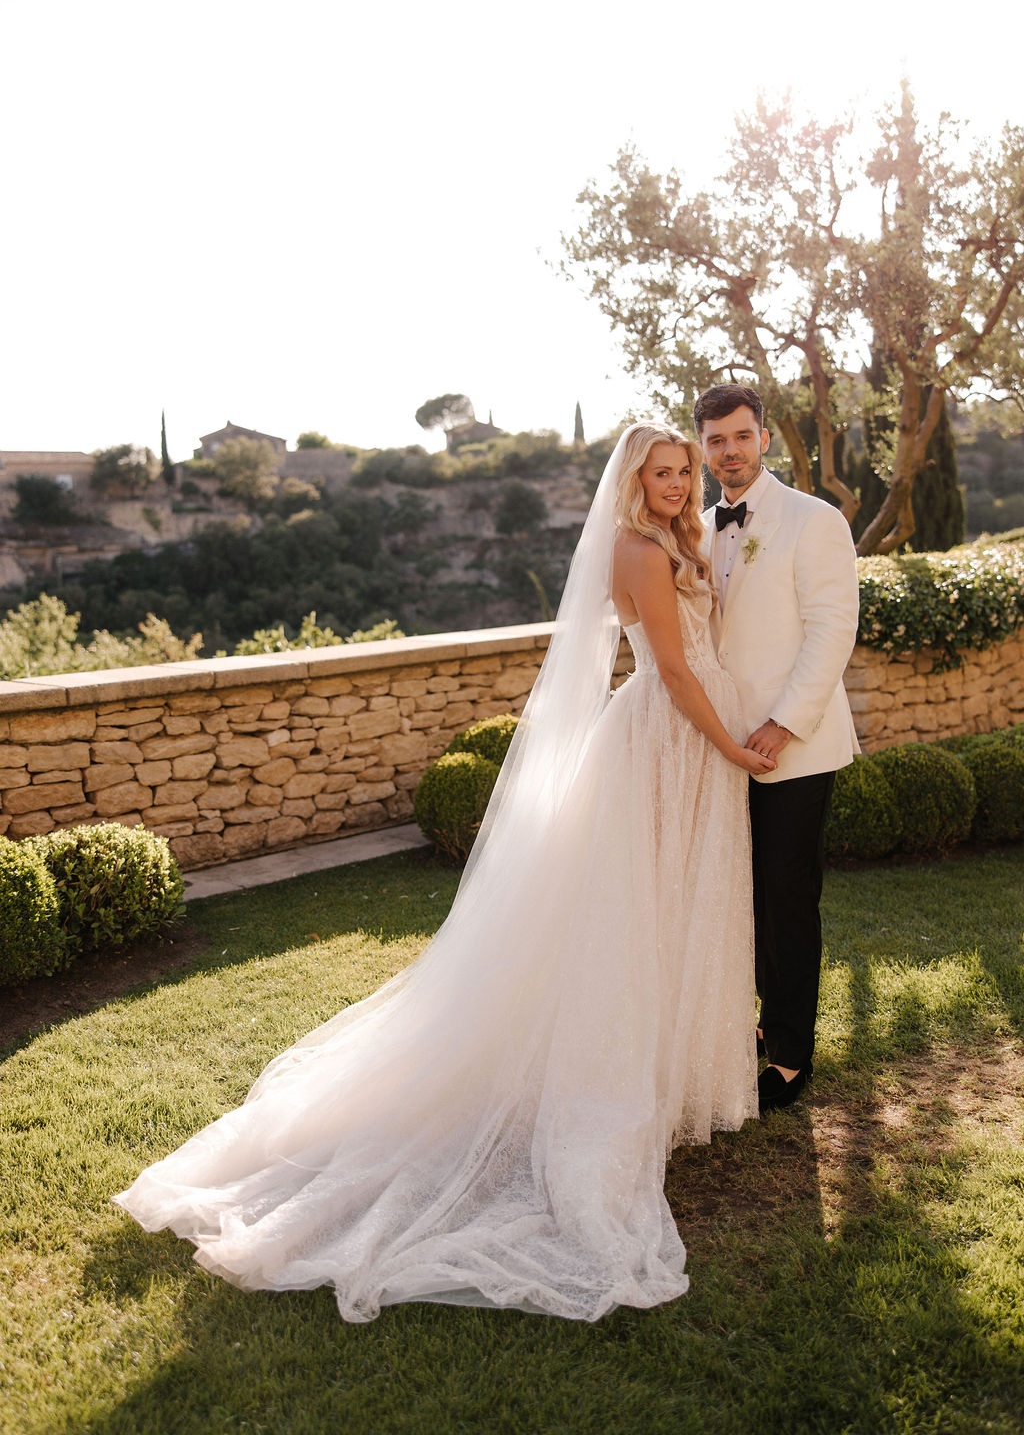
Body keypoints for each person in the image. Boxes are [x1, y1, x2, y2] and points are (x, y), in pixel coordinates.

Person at [114, 423, 774, 1323]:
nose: (674, 482)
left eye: (683, 470)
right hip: (668, 737)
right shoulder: (638, 550)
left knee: (667, 910)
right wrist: (730, 742)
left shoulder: (682, 538)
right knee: (632, 915)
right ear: (633, 481)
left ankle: (660, 1076)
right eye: (661, 471)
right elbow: (668, 666)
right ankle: (599, 1084)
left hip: (688, 743)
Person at [694, 384, 860, 1114]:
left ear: (764, 438)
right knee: (736, 894)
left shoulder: (814, 519)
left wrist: (785, 722)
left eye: (740, 435)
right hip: (721, 745)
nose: (728, 450)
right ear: (703, 449)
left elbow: (832, 628)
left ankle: (790, 1055)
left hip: (795, 746)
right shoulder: (696, 528)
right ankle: (756, 1026)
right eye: (715, 440)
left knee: (788, 899)